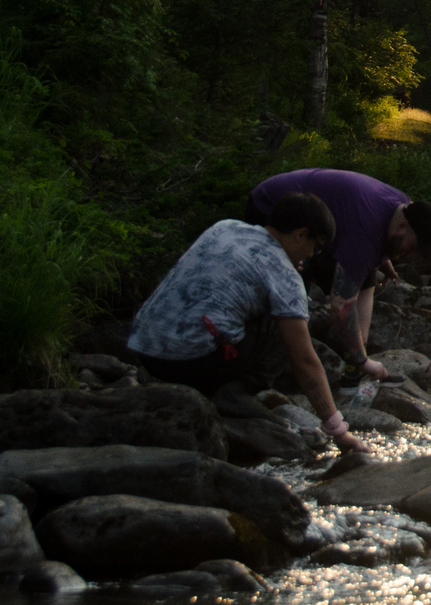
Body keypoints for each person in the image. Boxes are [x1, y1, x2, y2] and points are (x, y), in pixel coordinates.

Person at [126, 192, 370, 453]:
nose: (313, 254)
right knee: (288, 323)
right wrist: (339, 431)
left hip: (146, 349)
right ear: (301, 234)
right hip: (188, 363)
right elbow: (304, 360)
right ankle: (234, 394)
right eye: (316, 246)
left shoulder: (225, 227)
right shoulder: (285, 277)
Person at [245, 168, 431, 372]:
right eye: (414, 246)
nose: (413, 254)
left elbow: (369, 272)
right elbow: (341, 305)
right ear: (402, 227)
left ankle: (356, 360)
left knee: (365, 275)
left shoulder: (403, 207)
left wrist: (383, 260)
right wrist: (363, 362)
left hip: (315, 222)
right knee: (292, 295)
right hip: (270, 206)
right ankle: (259, 367)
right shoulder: (367, 230)